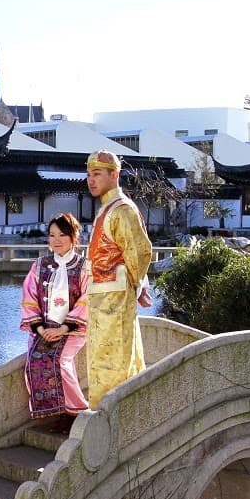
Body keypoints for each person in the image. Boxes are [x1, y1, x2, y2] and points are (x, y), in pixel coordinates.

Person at [84, 149, 153, 409]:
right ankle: (104, 411)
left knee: (114, 358)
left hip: (115, 295)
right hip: (102, 295)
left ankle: (110, 413)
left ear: (115, 175)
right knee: (104, 357)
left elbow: (141, 251)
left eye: (98, 174)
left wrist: (136, 285)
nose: (91, 180)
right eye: (89, 174)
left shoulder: (122, 210)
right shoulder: (107, 209)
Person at [20, 212, 91, 421]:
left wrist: (62, 329)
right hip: (43, 329)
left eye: (62, 235)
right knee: (34, 360)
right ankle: (59, 413)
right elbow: (28, 298)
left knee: (60, 360)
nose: (56, 240)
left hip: (73, 329)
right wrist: (41, 329)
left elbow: (88, 300)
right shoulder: (40, 265)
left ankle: (77, 410)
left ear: (73, 236)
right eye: (52, 235)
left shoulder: (84, 267)